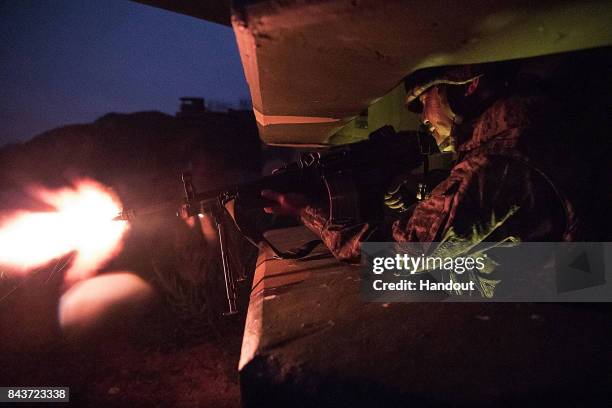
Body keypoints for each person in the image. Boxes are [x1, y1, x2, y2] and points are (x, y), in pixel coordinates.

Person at [261, 50, 611, 264]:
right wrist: (425, 194)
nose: (424, 119)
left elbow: (393, 256)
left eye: (425, 100)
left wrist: (305, 210)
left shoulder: (498, 164)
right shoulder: (530, 125)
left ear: (467, 87)